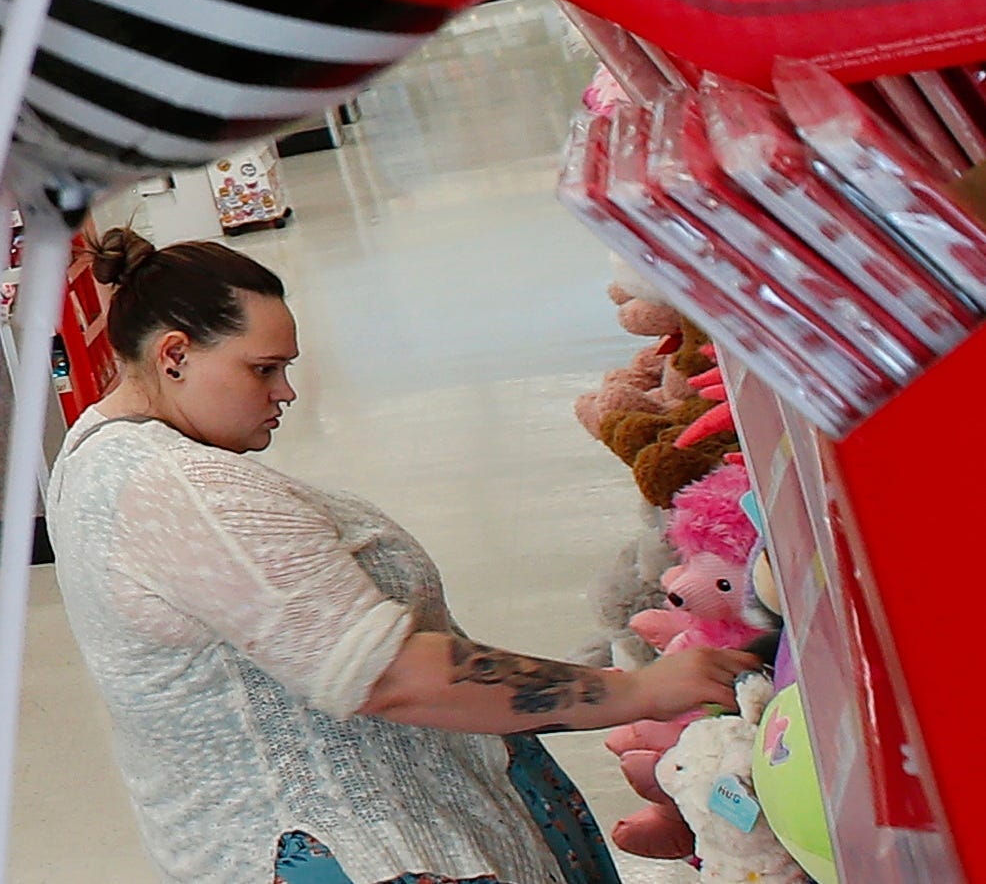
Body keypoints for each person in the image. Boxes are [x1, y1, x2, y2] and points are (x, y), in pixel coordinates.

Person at [46, 229, 755, 884]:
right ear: (174, 355)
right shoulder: (183, 489)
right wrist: (637, 691)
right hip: (362, 844)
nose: (285, 391)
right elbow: (388, 674)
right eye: (263, 368)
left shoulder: (100, 448)